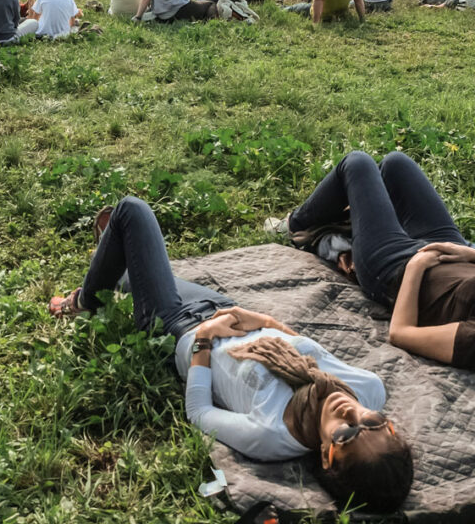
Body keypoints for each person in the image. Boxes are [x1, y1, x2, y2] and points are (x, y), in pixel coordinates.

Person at [49, 197, 413, 514]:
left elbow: (199, 413)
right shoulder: (368, 389)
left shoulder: (272, 435)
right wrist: (266, 320)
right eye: (376, 424)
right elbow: (304, 346)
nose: (353, 414)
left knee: (132, 212)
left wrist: (204, 340)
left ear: (325, 456)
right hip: (226, 310)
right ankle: (111, 268)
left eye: (348, 435)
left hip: (179, 327)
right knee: (130, 271)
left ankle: (83, 302)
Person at [268, 150, 475, 370]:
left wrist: (416, 267)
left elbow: (401, 333)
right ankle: (356, 217)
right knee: (396, 164)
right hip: (453, 250)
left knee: (357, 163)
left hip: (397, 267)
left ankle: (294, 225)